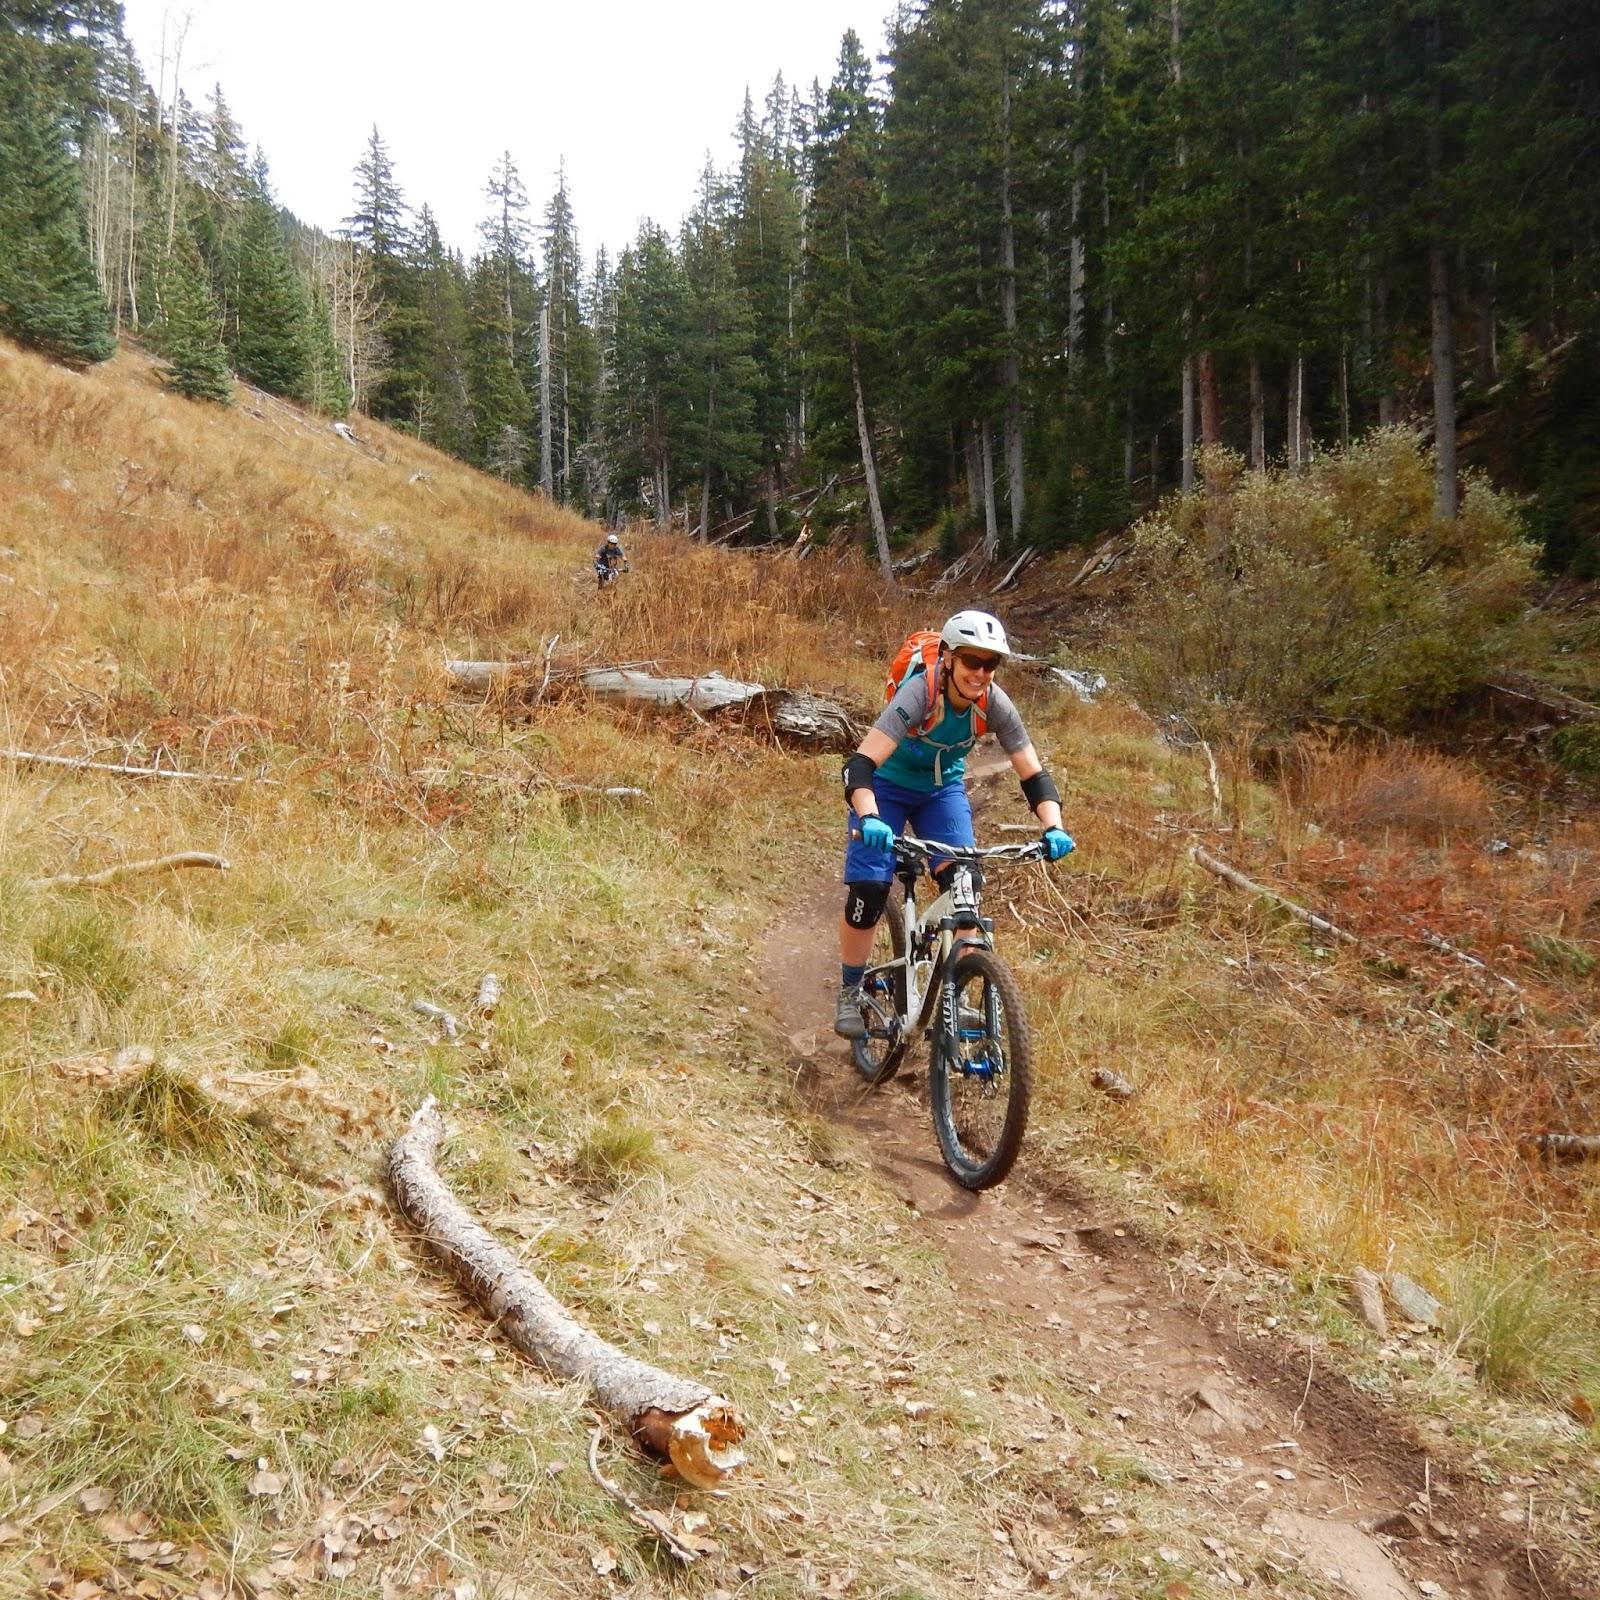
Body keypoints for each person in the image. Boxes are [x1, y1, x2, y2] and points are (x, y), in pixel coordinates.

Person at [835, 609, 1074, 1039]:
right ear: (948, 658)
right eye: (972, 661)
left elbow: (1034, 775)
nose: (981, 673)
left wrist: (1053, 827)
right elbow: (861, 764)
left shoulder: (995, 703)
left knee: (966, 886)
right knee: (870, 889)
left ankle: (956, 996)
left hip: (940, 792)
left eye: (990, 664)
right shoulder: (918, 694)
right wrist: (868, 815)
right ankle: (850, 990)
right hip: (886, 787)